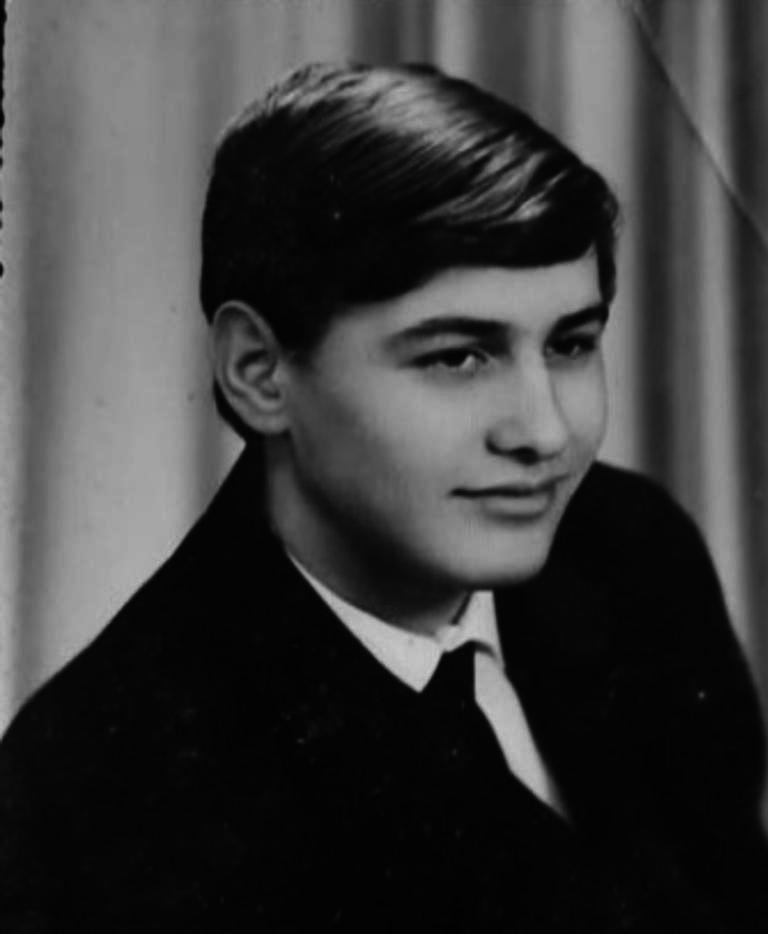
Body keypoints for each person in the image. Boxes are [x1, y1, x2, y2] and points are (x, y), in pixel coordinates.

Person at [1, 62, 767, 933]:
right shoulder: (103, 794)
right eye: (456, 356)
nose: (545, 432)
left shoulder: (631, 553)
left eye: (570, 344)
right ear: (259, 371)